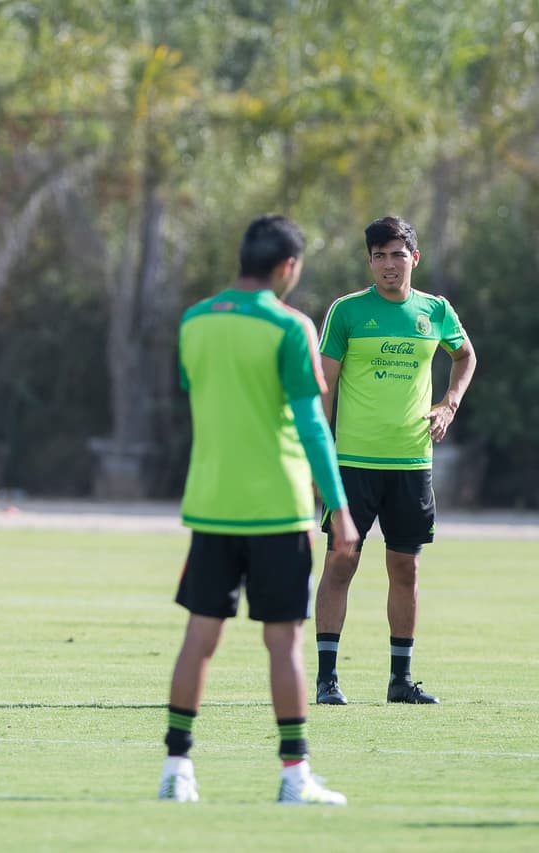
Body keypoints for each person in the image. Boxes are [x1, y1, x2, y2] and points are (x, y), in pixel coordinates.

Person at [159, 214, 359, 806]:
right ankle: (294, 777)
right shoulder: (291, 326)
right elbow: (313, 426)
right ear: (288, 267)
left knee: (199, 637)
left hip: (212, 505)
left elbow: (196, 392)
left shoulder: (195, 321)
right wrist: (339, 507)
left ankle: (177, 769)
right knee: (284, 645)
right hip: (278, 509)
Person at [313, 216, 477, 706]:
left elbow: (465, 356)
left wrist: (449, 404)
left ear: (414, 258)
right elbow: (323, 389)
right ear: (370, 261)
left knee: (406, 568)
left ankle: (400, 681)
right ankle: (326, 679)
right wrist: (321, 459)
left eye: (397, 254)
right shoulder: (346, 312)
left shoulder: (435, 310)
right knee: (341, 563)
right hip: (353, 465)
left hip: (411, 464)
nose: (389, 264)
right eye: (379, 255)